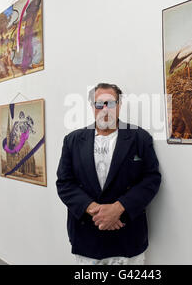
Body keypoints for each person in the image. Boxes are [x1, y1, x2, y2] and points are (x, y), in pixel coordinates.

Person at [56, 83, 161, 265]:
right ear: (92, 107)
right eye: (99, 104)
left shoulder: (140, 138)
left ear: (119, 105)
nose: (105, 109)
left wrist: (118, 208)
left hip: (128, 237)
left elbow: (151, 179)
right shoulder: (72, 140)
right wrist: (95, 210)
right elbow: (64, 183)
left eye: (110, 103)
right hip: (87, 237)